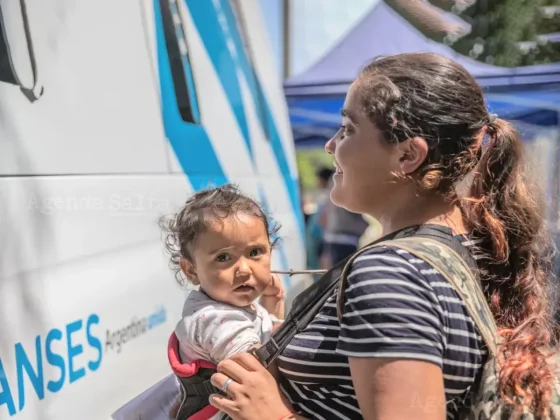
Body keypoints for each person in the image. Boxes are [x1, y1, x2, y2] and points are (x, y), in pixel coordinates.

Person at [204, 53, 557, 419]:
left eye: (348, 129)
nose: (330, 145)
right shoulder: (454, 249)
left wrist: (271, 414)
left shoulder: (392, 272)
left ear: (408, 155)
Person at [159, 184, 285, 419]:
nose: (245, 270)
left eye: (255, 252)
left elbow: (268, 332)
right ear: (191, 270)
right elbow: (261, 370)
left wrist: (271, 298)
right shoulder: (215, 319)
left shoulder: (227, 303)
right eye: (223, 257)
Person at [321, 177, 369, 265]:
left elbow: (323, 219)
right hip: (346, 239)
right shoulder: (346, 177)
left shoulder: (334, 180)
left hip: (334, 237)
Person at [305, 167, 333, 270]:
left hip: (321, 240)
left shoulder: (331, 197)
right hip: (319, 239)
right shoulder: (327, 196)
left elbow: (323, 221)